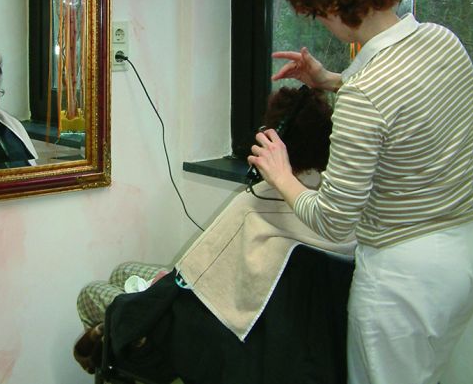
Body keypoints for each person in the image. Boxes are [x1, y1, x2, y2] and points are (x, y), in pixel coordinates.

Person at [248, 0, 473, 384]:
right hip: (461, 258)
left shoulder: (367, 94)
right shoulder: (443, 41)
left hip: (402, 284)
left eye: (318, 14)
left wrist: (281, 174)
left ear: (335, 6)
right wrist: (331, 80)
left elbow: (334, 220)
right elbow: (405, 104)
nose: (320, 24)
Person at [74, 87, 356, 376]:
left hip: (207, 330)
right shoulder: (337, 209)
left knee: (92, 293)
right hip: (277, 338)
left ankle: (113, 344)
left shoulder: (256, 203)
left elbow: (200, 280)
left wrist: (170, 286)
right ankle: (110, 341)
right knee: (123, 272)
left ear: (269, 140)